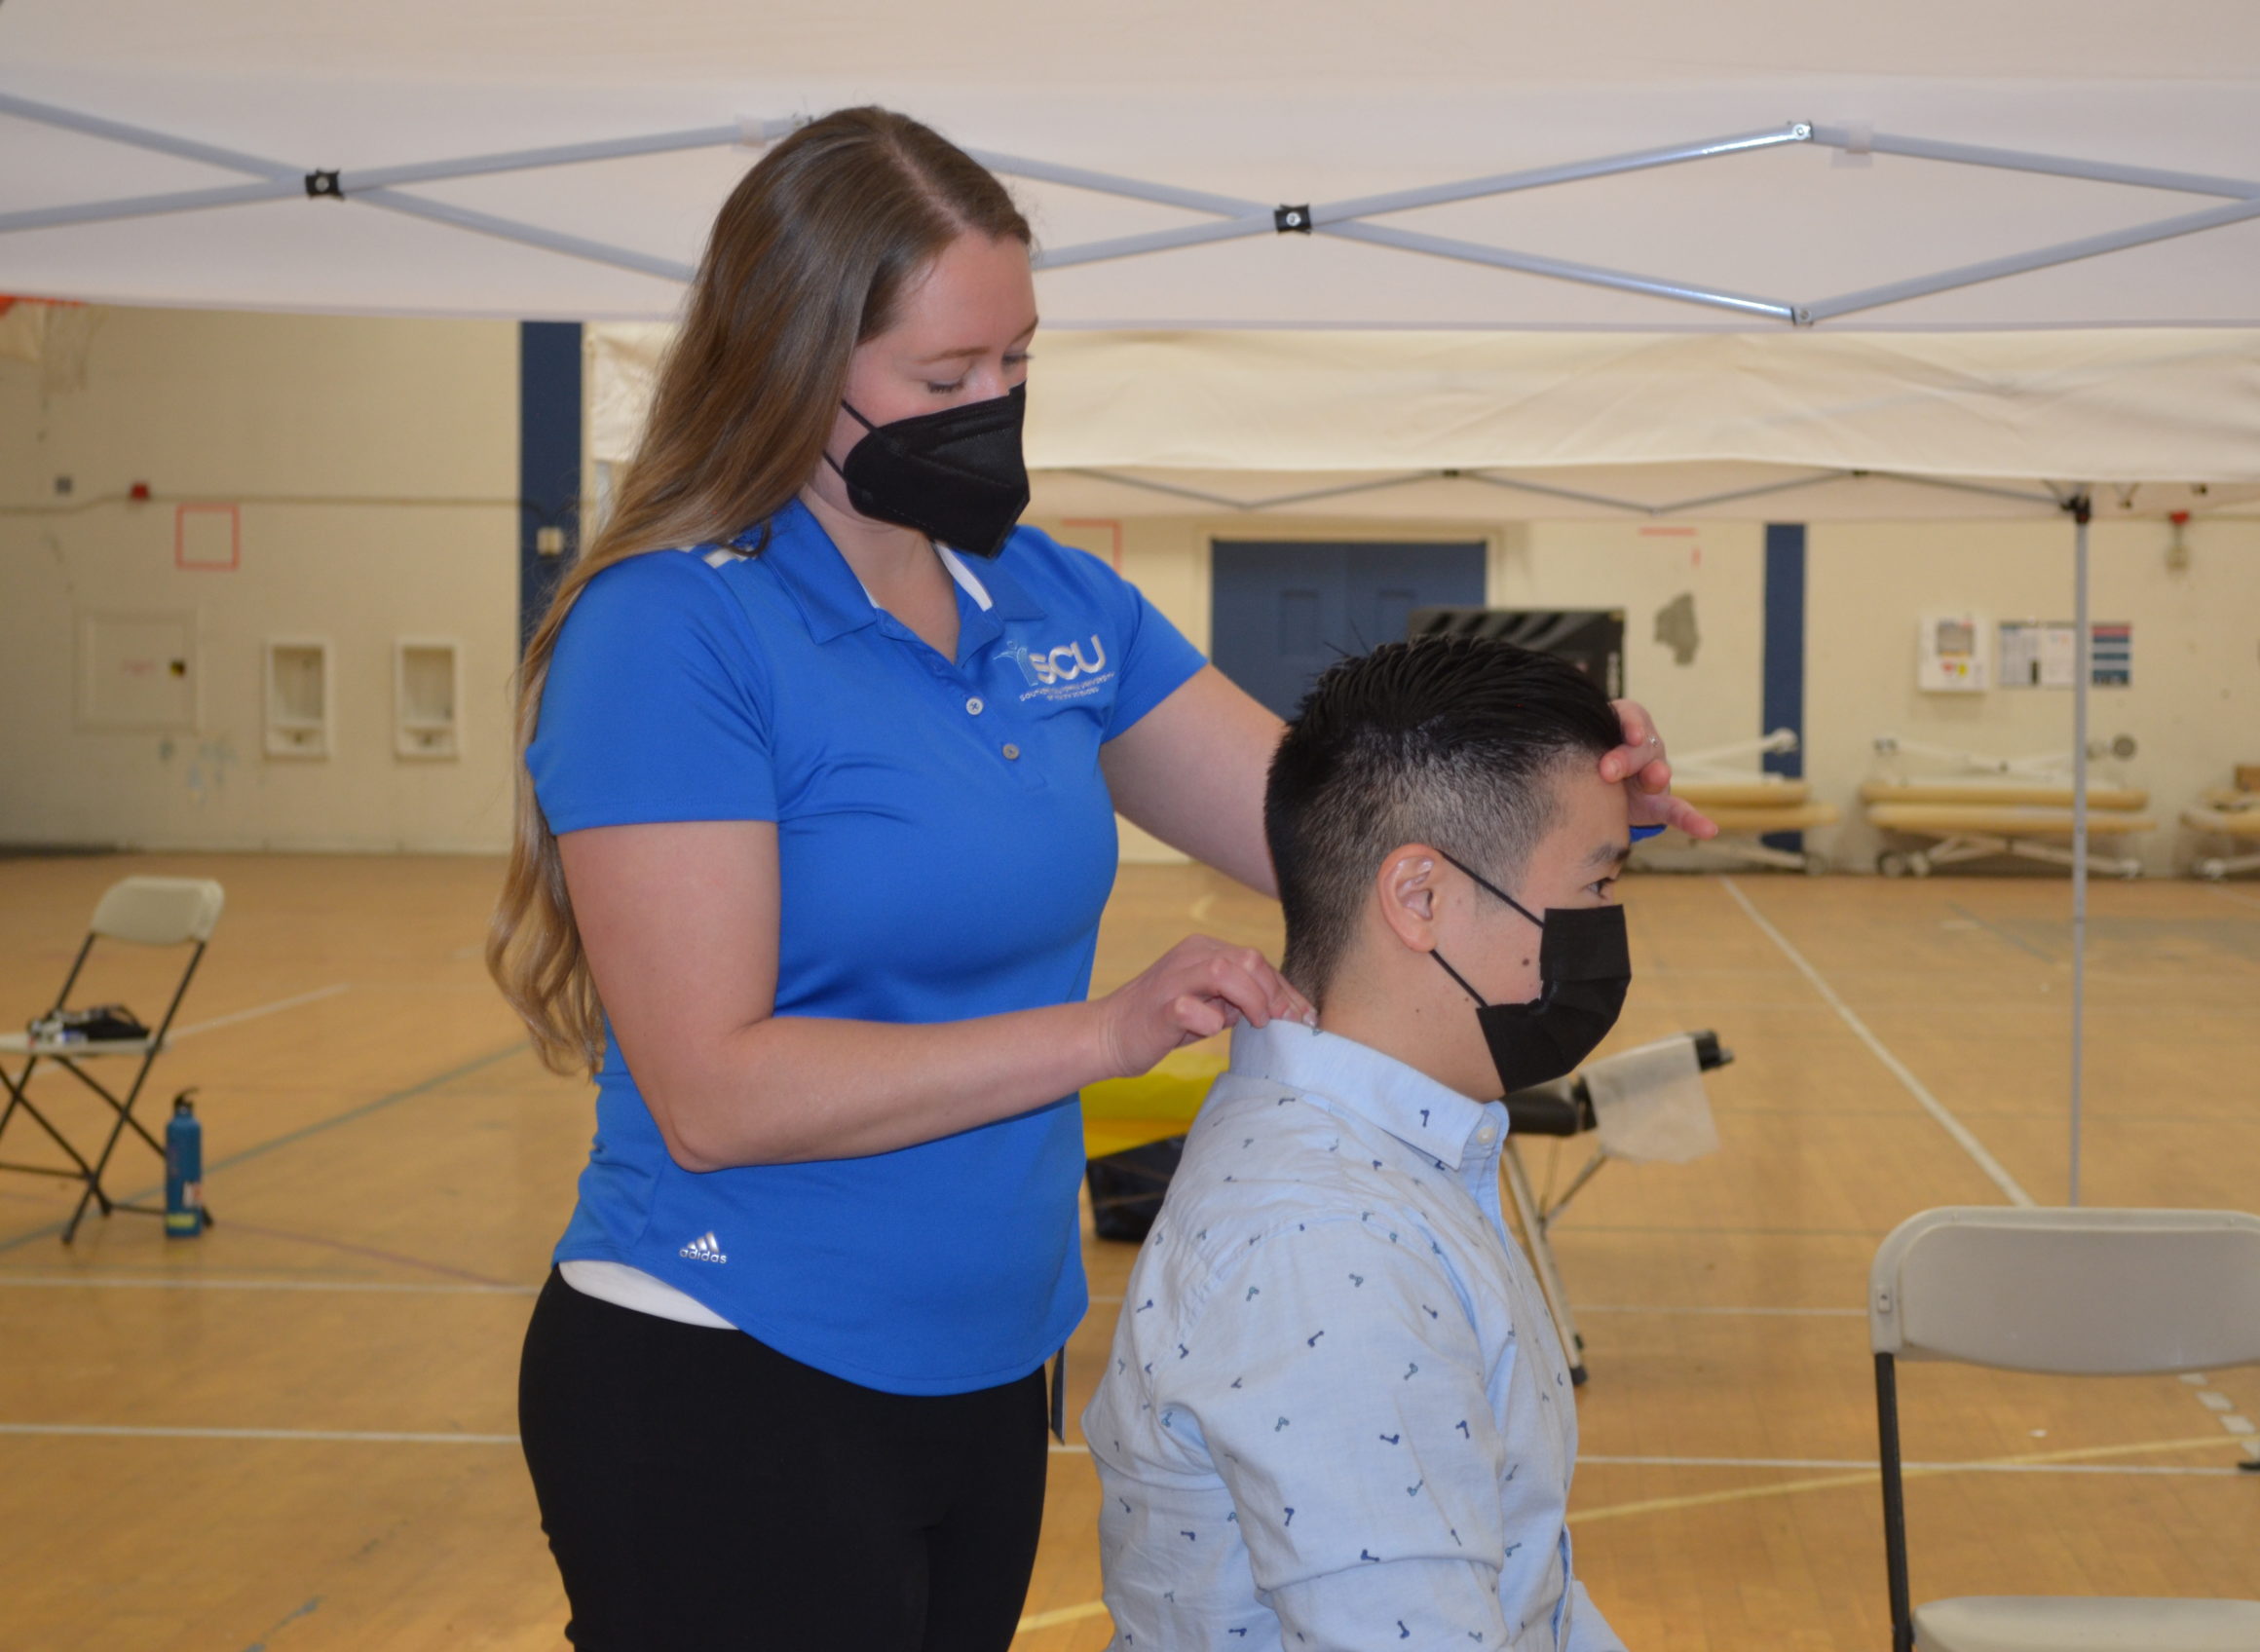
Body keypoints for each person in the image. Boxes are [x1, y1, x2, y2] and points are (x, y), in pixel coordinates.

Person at [488, 107, 1706, 1652]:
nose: (992, 408)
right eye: (944, 380)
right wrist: (1106, 1032)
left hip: (990, 1361)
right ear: (789, 365)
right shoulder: (672, 636)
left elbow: (1334, 833)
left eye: (1017, 366)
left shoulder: (1049, 601)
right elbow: (715, 1095)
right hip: (736, 1362)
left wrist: (1565, 803)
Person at [1085, 635, 1638, 1652]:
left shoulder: (1383, 1154)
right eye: (1598, 885)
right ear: (1418, 897)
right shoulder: (1330, 1249)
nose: (1609, 924)